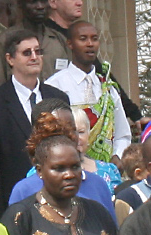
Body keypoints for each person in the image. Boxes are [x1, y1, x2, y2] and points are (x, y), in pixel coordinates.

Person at [2, 133, 116, 235]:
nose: (69, 175)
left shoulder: (98, 212)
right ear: (39, 171)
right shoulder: (20, 217)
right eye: (59, 169)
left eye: (75, 167)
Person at [0, 28, 69, 188]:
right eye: (27, 53)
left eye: (38, 51)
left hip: (58, 191)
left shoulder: (59, 98)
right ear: (10, 59)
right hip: (13, 196)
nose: (34, 57)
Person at [44, 19, 133, 170]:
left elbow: (122, 133)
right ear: (70, 44)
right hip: (70, 170)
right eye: (83, 39)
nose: (90, 44)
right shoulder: (54, 86)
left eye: (94, 38)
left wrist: (117, 156)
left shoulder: (108, 87)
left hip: (107, 171)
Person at [0, 0, 69, 87]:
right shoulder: (4, 40)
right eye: (33, 1)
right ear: (20, 3)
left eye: (43, 1)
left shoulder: (60, 40)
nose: (40, 6)